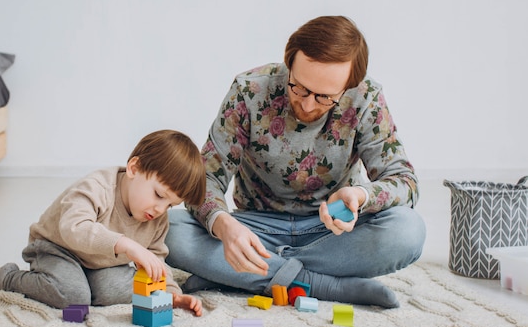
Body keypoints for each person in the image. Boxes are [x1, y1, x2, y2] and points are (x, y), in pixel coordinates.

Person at [165, 16, 426, 309]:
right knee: (168, 229)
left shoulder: (367, 98)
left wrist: (360, 196)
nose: (308, 104)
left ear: (349, 86)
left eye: (325, 97)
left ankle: (237, 275)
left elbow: (405, 182)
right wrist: (224, 226)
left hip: (331, 232)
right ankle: (322, 285)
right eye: (299, 87)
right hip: (256, 228)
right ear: (289, 64)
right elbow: (206, 179)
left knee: (408, 230)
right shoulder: (249, 90)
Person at [0, 129, 205, 316]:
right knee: (74, 297)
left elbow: (155, 262)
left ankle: (86, 282)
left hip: (100, 262)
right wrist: (127, 245)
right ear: (134, 168)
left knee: (114, 290)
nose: (160, 209)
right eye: (158, 195)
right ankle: (10, 277)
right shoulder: (98, 188)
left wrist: (172, 295)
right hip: (58, 248)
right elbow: (74, 228)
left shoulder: (156, 219)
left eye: (170, 205)